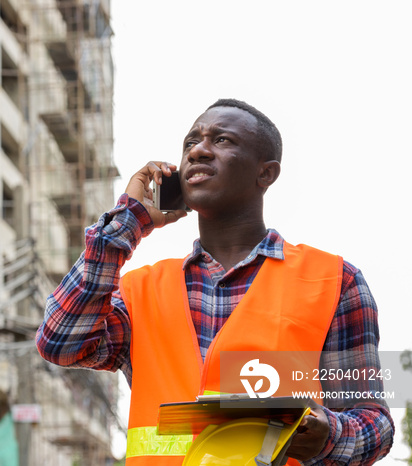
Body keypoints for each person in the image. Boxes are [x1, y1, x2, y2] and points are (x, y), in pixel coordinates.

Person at [36, 99, 394, 464]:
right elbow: (60, 343)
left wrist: (326, 437)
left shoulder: (334, 281)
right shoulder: (141, 291)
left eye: (222, 141)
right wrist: (129, 221)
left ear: (266, 173)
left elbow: (375, 425)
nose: (199, 151)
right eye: (191, 142)